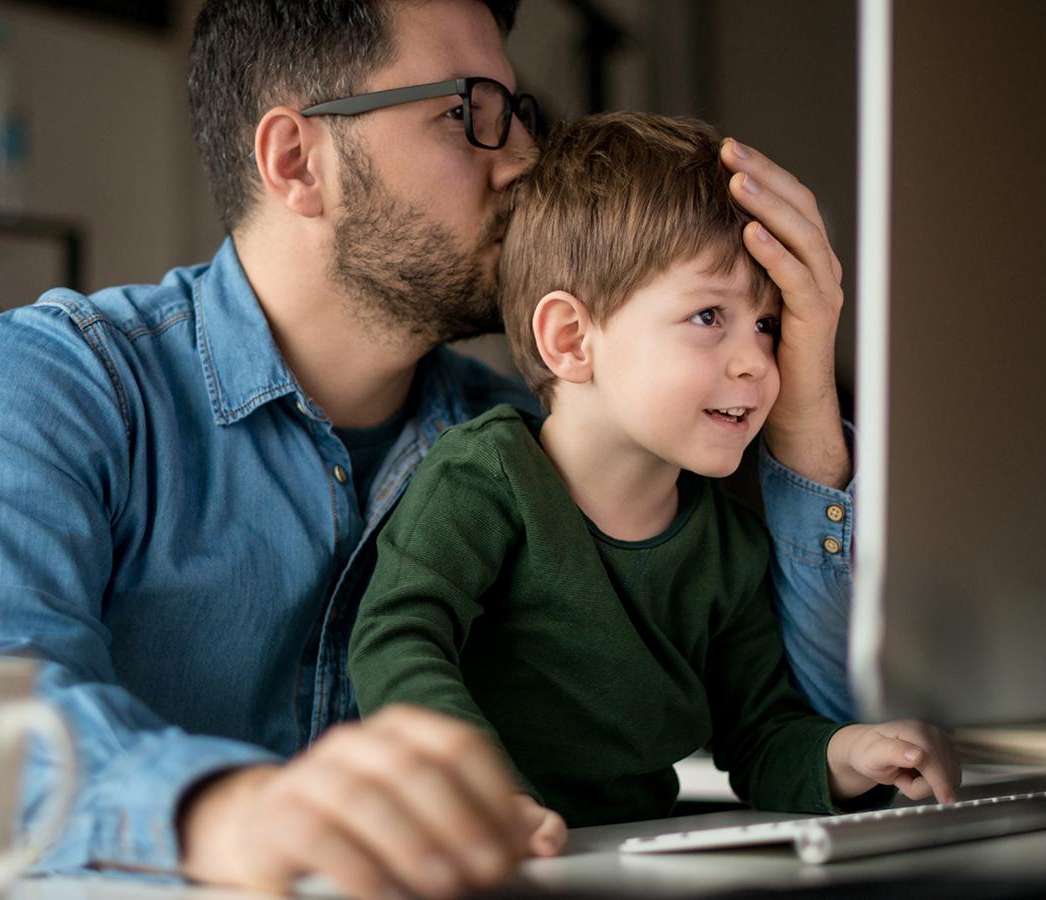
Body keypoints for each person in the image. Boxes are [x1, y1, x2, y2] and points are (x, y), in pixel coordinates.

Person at [0, 0, 858, 897]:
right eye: (466, 112)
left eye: (518, 113)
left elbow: (809, 717)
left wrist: (805, 400)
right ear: (297, 160)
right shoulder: (61, 387)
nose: (519, 162)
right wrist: (231, 812)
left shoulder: (532, 444)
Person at [347, 113, 957, 832]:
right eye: (708, 316)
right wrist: (481, 794)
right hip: (473, 857)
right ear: (570, 340)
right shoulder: (482, 478)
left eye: (766, 325)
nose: (755, 363)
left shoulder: (728, 545)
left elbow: (760, 736)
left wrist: (850, 755)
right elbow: (395, 636)